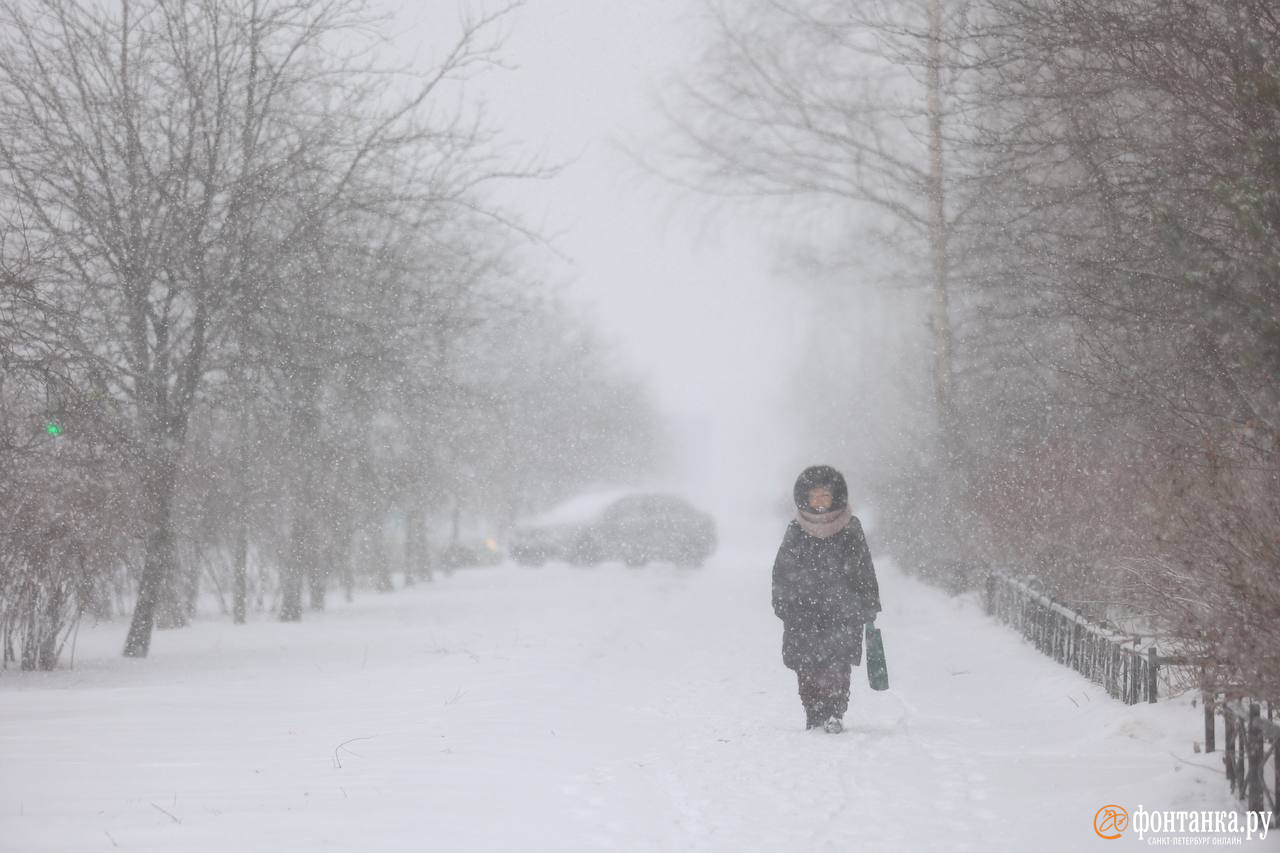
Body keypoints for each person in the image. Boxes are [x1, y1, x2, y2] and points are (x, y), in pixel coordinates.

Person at [771, 465, 882, 733]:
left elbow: (864, 568)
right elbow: (782, 572)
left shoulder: (850, 528)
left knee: (837, 667)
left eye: (825, 496)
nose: (820, 503)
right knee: (807, 666)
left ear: (836, 497)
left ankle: (834, 713)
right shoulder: (796, 530)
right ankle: (813, 712)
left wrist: (868, 602)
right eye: (815, 497)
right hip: (803, 614)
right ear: (805, 499)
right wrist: (785, 604)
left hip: (842, 611)